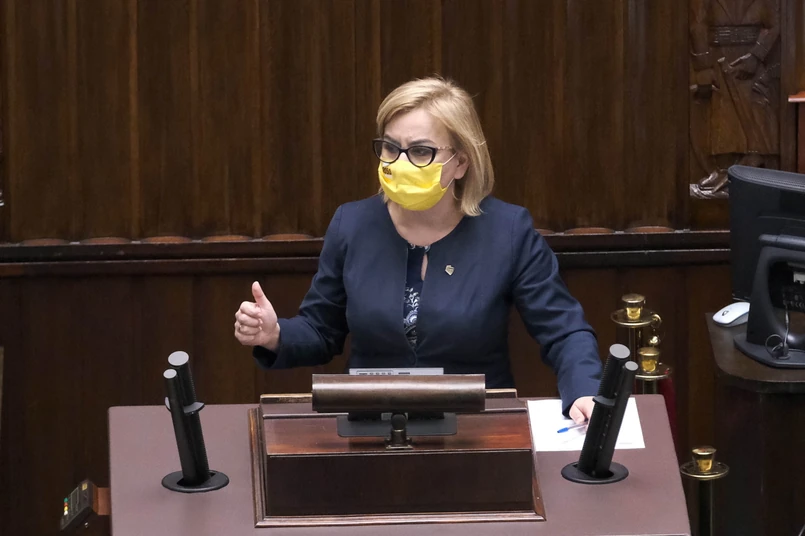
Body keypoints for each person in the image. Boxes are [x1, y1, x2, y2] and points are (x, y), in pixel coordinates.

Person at [234, 77, 601, 422]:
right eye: (390, 148)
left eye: (421, 151)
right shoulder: (352, 224)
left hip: (476, 428)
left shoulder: (507, 231)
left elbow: (564, 330)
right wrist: (274, 334)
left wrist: (584, 391)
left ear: (461, 162)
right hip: (368, 425)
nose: (400, 162)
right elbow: (321, 330)